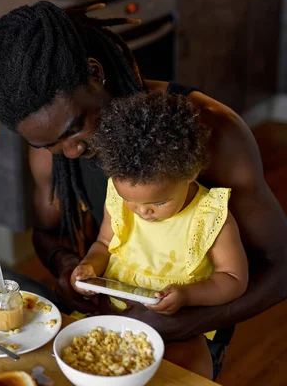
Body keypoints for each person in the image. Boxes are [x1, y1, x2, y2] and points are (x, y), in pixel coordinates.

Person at [0, 0, 287, 377]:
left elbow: (281, 268)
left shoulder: (213, 133)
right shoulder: (51, 146)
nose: (69, 152)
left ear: (94, 73)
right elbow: (49, 233)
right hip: (100, 323)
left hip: (187, 334)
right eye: (47, 144)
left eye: (74, 128)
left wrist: (183, 323)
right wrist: (69, 265)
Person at [70, 91, 248, 378]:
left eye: (157, 203)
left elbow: (234, 280)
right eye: (131, 200)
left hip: (178, 328)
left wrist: (187, 295)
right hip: (114, 315)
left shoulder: (210, 216)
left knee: (183, 374)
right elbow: (104, 243)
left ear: (190, 173)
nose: (141, 212)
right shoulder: (118, 195)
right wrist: (90, 267)